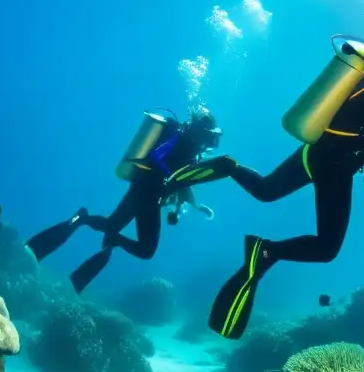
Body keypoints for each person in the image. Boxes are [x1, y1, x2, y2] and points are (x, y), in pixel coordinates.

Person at [163, 47, 364, 340]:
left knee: (266, 190)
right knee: (326, 249)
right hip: (335, 166)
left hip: (314, 151)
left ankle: (229, 167)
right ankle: (266, 252)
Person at [25, 110, 224, 293]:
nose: (210, 141)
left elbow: (183, 185)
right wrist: (167, 177)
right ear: (201, 131)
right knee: (146, 250)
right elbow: (157, 155)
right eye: (209, 135)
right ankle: (114, 241)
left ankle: (82, 218)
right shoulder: (179, 138)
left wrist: (191, 207)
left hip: (140, 188)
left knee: (111, 225)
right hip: (148, 194)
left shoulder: (192, 150)